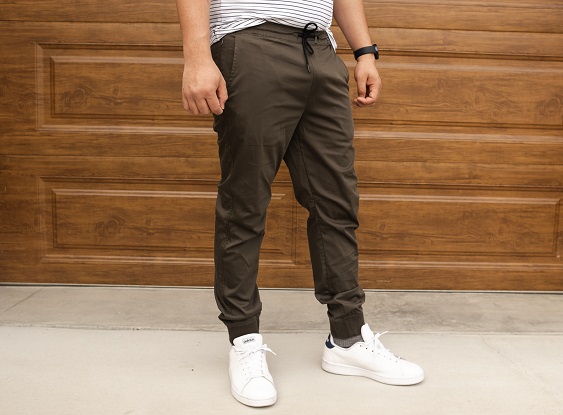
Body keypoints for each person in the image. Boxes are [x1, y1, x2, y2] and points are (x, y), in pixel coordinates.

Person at [175, 0, 424, 407]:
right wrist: (197, 57)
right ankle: (244, 340)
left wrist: (364, 52)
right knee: (245, 203)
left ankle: (347, 338)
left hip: (320, 49)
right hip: (249, 40)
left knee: (337, 202)